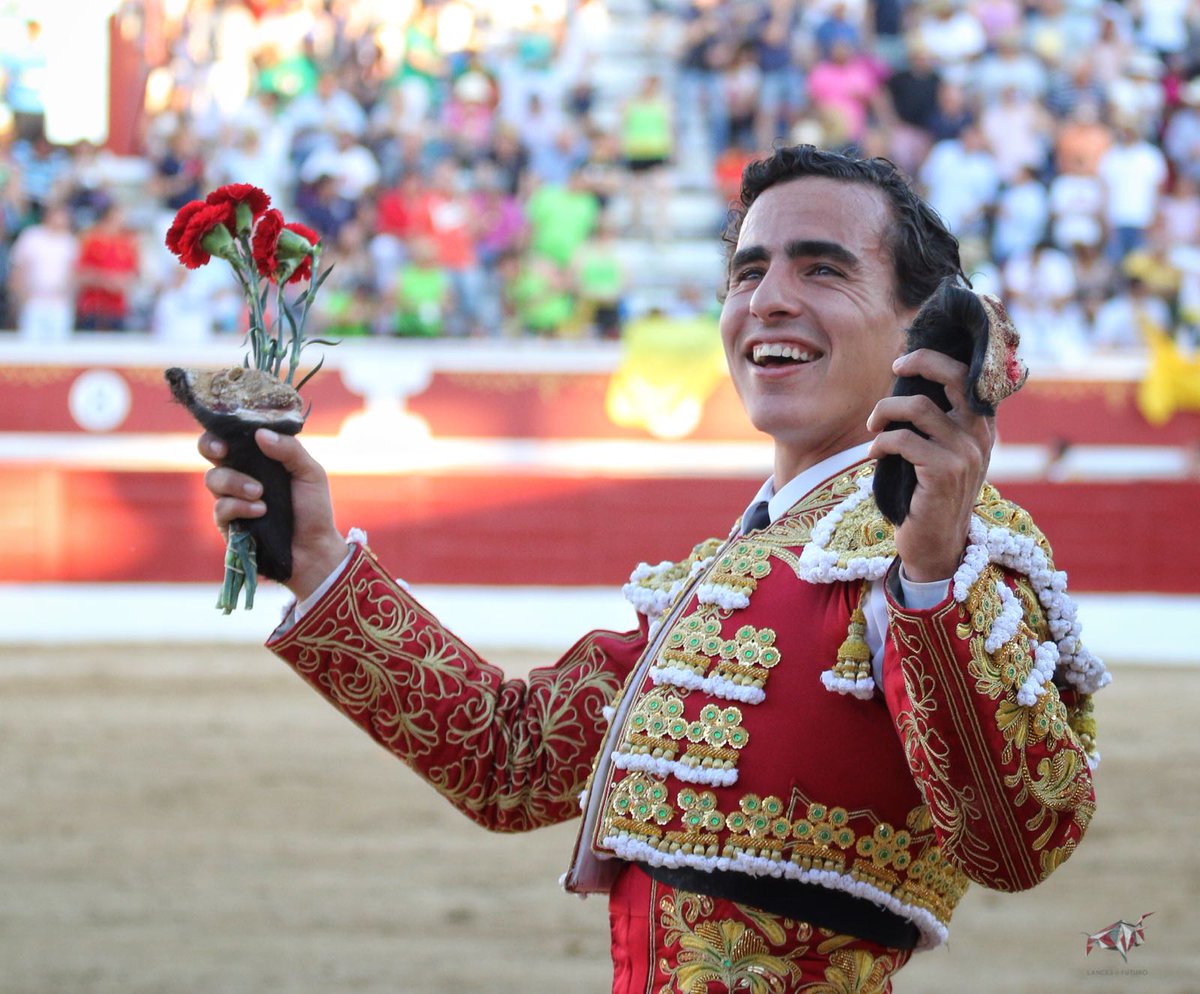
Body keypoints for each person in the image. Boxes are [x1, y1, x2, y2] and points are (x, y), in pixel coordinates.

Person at [196, 146, 1106, 993]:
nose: (768, 300)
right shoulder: (720, 579)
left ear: (920, 328)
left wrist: (935, 570)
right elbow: (511, 760)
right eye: (747, 272)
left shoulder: (951, 544)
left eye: (822, 269)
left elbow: (1017, 842)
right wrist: (316, 562)